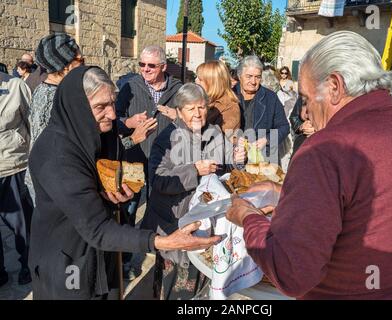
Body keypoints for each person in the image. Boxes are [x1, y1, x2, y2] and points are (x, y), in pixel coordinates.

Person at [226, 31, 392, 299]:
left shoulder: (325, 149)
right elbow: (376, 208)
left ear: (334, 86)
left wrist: (248, 217)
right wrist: (286, 193)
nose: (304, 113)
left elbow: (291, 272)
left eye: (306, 99)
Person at [27, 66, 219, 300]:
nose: (111, 113)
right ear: (77, 108)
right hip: (68, 261)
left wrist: (109, 191)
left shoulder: (101, 134)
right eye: (100, 107)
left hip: (104, 254)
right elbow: (95, 227)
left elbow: (106, 178)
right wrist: (163, 241)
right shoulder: (56, 154)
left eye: (112, 103)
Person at [141, 83, 242, 300]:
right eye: (190, 108)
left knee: (203, 286)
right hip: (175, 222)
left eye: (202, 107)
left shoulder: (214, 133)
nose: (198, 113)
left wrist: (239, 159)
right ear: (178, 112)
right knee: (174, 288)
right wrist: (194, 170)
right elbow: (158, 179)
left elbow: (230, 168)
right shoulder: (166, 139)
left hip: (207, 222)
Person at [116, 45, 182, 279]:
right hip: (134, 161)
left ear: (163, 67)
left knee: (162, 209)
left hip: (164, 162)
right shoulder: (130, 87)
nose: (145, 69)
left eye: (151, 65)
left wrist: (179, 117)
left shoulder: (178, 89)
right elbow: (113, 120)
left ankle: (162, 255)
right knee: (129, 209)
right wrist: (128, 123)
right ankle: (124, 260)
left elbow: (194, 121)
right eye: (141, 64)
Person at [25, 33, 85, 204]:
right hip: (53, 186)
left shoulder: (42, 89)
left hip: (42, 179)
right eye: (80, 60)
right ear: (65, 67)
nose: (84, 64)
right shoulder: (59, 99)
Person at [0, 71, 33, 287]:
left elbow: (33, 122)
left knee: (22, 224)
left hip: (13, 166)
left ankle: (29, 264)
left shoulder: (16, 86)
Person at [235, 56, 290, 163]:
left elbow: (284, 127)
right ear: (239, 75)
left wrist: (267, 140)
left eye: (257, 77)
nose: (253, 81)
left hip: (264, 159)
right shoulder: (229, 95)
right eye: (249, 76)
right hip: (236, 158)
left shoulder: (270, 98)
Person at [196, 60, 241, 137]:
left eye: (200, 79)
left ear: (212, 83)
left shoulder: (230, 108)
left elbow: (222, 140)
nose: (196, 81)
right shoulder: (204, 100)